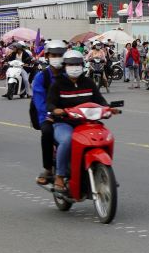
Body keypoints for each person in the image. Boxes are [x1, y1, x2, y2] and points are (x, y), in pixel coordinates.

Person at [47, 50, 118, 193]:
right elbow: (50, 104)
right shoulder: (58, 84)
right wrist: (56, 110)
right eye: (71, 64)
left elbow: (100, 100)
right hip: (64, 123)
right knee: (67, 140)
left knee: (105, 137)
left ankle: (105, 173)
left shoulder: (89, 82)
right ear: (65, 66)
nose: (75, 67)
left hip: (87, 123)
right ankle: (60, 176)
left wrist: (107, 109)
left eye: (77, 64)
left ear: (82, 65)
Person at [32, 41, 67, 185]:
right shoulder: (41, 77)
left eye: (60, 55)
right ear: (47, 56)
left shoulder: (69, 74)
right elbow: (39, 102)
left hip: (68, 114)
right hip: (48, 116)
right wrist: (50, 113)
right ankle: (48, 168)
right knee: (47, 132)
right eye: (54, 55)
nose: (57, 57)